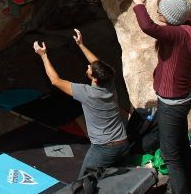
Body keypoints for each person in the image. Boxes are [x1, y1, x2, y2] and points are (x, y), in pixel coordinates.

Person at [131, 0, 191, 194]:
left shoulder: (176, 35)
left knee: (171, 155)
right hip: (181, 99)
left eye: (161, 11)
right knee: (181, 147)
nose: (158, 12)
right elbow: (182, 10)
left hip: (171, 103)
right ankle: (188, 186)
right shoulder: (189, 29)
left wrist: (138, 5)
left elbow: (148, 26)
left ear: (172, 18)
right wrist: (167, 0)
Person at [33, 29, 129, 179]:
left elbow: (55, 81)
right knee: (110, 180)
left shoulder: (87, 93)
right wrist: (81, 44)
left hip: (104, 148)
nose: (88, 67)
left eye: (90, 69)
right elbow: (98, 65)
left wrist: (43, 55)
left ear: (95, 79)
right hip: (122, 143)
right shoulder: (109, 83)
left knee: (83, 182)